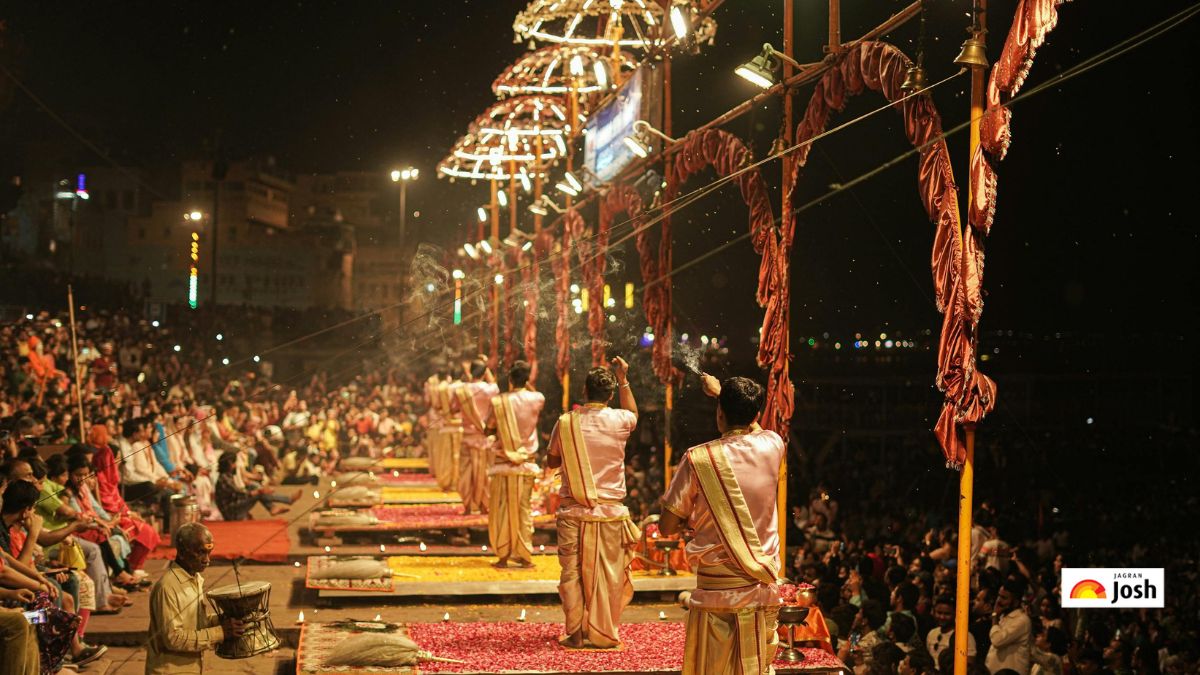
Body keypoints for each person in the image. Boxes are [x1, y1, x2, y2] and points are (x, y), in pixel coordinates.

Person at [660, 374, 785, 675]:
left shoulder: (698, 459)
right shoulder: (773, 445)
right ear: (756, 414)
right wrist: (722, 396)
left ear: (719, 414)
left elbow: (666, 527)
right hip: (759, 592)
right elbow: (755, 428)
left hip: (715, 594)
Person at [547, 358, 639, 650]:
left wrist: (573, 459)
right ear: (611, 395)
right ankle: (602, 633)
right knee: (608, 576)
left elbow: (551, 461)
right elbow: (633, 412)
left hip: (573, 511)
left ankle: (574, 632)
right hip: (610, 514)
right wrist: (624, 379)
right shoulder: (621, 420)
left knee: (571, 572)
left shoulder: (566, 422)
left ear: (584, 391)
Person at [146, 522, 244, 674]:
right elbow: (173, 638)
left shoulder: (195, 578)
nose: (207, 560)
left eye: (208, 553)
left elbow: (195, 623)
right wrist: (220, 632)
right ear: (183, 552)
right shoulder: (167, 587)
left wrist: (222, 619)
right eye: (200, 553)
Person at [487, 360, 545, 568]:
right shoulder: (538, 398)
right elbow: (533, 393)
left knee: (502, 510)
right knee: (523, 510)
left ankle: (503, 556)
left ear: (510, 379)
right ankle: (524, 555)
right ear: (528, 379)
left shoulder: (499, 402)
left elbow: (488, 429)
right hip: (526, 465)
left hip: (503, 465)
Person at [451, 360, 498, 515]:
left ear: (470, 371)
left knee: (466, 472)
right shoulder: (491, 389)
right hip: (485, 437)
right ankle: (485, 505)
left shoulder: (460, 390)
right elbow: (494, 390)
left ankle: (468, 506)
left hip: (468, 436)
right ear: (485, 372)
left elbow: (453, 409)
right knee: (484, 471)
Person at [214, 452, 298, 521]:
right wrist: (259, 492)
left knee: (254, 486)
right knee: (259, 492)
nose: (236, 466)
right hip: (231, 513)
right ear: (230, 463)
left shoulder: (227, 476)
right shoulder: (224, 478)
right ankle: (286, 500)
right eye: (235, 463)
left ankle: (273, 507)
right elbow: (240, 493)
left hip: (234, 506)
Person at [986, 578, 1032, 674]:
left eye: (1004, 598)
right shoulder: (1004, 616)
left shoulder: (1022, 620)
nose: (998, 600)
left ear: (1015, 602)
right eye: (999, 596)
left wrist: (994, 616)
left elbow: (997, 640)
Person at [433, 373, 463, 493]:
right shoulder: (463, 387)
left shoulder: (441, 388)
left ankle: (447, 482)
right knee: (457, 457)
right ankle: (457, 483)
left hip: (446, 426)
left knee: (447, 457)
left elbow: (436, 405)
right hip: (460, 426)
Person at [926, 594, 977, 663]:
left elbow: (969, 665)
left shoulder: (965, 636)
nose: (942, 617)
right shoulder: (932, 633)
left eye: (947, 614)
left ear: (955, 614)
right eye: (939, 613)